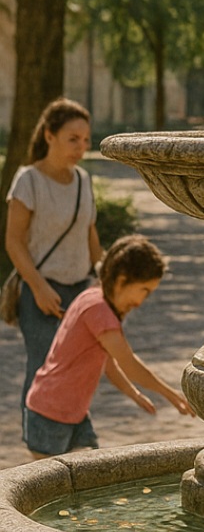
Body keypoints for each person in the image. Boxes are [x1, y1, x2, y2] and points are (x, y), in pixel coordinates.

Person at [24, 234, 194, 458]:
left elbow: (110, 364)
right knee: (53, 488)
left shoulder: (92, 297)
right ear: (122, 280)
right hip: (51, 416)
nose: (142, 301)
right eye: (144, 290)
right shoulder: (99, 310)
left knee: (91, 478)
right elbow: (129, 363)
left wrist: (134, 394)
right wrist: (171, 395)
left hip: (72, 414)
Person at [5, 98, 104, 418]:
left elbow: (89, 234)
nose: (81, 147)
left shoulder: (83, 181)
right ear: (49, 136)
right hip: (41, 293)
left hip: (80, 292)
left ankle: (75, 441)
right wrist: (38, 287)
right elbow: (13, 241)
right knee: (43, 368)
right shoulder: (28, 180)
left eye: (86, 140)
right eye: (73, 139)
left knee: (78, 369)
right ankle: (38, 447)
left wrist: (103, 279)